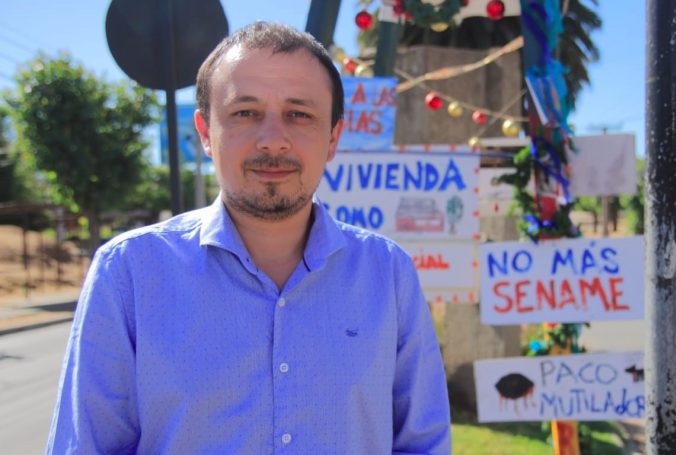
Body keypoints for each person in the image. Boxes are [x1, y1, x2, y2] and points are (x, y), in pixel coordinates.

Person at [46, 22, 451, 454]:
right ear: (205, 133)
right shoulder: (129, 273)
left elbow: (423, 443)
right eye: (245, 113)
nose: (273, 141)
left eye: (299, 114)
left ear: (333, 137)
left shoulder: (387, 273)